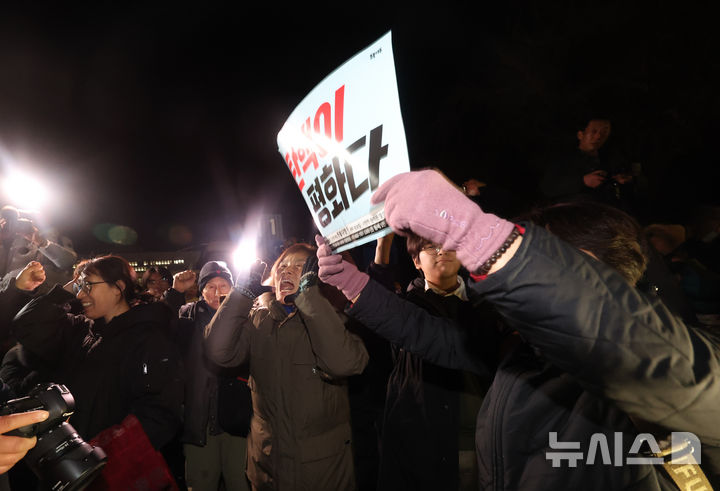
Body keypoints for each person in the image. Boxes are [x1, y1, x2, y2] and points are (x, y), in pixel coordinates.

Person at [317, 169, 720, 489]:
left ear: (586, 263)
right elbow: (430, 335)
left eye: (539, 251)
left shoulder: (674, 360)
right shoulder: (523, 348)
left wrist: (478, 235)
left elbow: (629, 343)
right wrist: (354, 285)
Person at [204, 243, 369, 491]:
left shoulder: (332, 316)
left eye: (298, 266)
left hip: (319, 472)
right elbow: (218, 351)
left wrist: (309, 296)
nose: (286, 271)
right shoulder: (259, 318)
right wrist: (240, 293)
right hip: (267, 467)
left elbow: (345, 363)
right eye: (281, 266)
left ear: (314, 274)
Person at [10, 255, 184, 489]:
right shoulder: (82, 330)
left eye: (89, 285)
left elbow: (159, 413)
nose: (81, 294)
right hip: (70, 468)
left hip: (110, 472)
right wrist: (67, 291)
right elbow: (26, 325)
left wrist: (101, 453)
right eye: (80, 286)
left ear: (118, 287)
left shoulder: (149, 338)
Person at [369, 231, 495, 491]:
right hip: (422, 440)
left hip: (480, 438)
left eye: (449, 245)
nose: (442, 251)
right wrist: (383, 245)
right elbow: (377, 306)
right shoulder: (405, 307)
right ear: (416, 261)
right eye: (431, 247)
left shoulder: (488, 304)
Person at [171, 261, 252, 491]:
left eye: (224, 285)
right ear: (201, 290)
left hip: (238, 418)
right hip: (200, 420)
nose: (217, 292)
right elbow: (162, 330)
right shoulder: (188, 315)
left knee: (240, 481)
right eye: (210, 286)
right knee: (201, 482)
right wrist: (175, 293)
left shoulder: (247, 315)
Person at [0, 206, 77, 295]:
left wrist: (41, 242)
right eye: (19, 222)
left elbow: (67, 262)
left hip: (42, 295)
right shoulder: (11, 242)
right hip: (10, 293)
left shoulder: (60, 239)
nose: (22, 225)